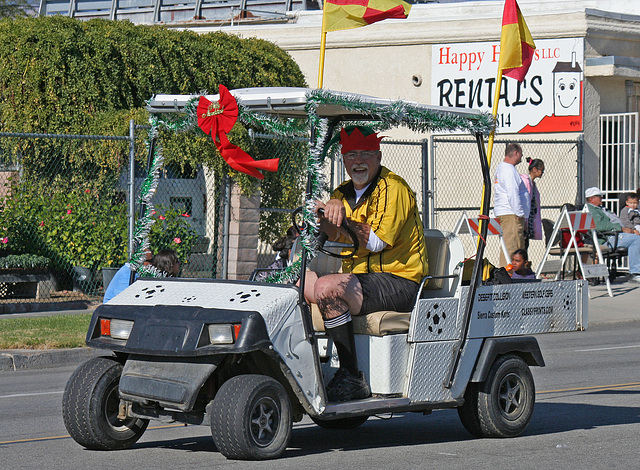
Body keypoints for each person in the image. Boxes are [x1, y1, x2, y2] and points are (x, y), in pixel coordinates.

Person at [302, 125, 428, 402]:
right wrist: (316, 220)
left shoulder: (394, 188)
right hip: (361, 279)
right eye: (351, 154)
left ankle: (351, 375)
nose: (358, 161)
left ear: (378, 156)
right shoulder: (343, 192)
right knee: (301, 281)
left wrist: (342, 218)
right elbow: (332, 234)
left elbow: (377, 242)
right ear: (343, 159)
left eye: (366, 154)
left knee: (327, 288)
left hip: (400, 281)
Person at [585, 187, 640, 283]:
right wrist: (622, 229)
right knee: (635, 239)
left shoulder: (601, 208)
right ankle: (635, 273)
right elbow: (600, 226)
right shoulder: (592, 210)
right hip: (608, 238)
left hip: (616, 234)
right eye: (599, 197)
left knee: (636, 237)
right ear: (591, 199)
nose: (601, 198)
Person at [494, 143, 531, 267]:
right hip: (511, 214)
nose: (522, 156)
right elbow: (512, 194)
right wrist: (519, 213)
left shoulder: (502, 168)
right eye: (521, 153)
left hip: (509, 213)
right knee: (512, 248)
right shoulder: (509, 170)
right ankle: (508, 275)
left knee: (515, 247)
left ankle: (517, 275)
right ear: (515, 153)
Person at [103, 249, 180, 303]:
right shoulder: (127, 274)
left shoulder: (139, 272)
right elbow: (126, 299)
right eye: (150, 261)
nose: (152, 264)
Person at [520, 158, 545, 249]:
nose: (542, 172)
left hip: (529, 220)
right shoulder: (526, 182)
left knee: (525, 245)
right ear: (534, 169)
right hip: (525, 219)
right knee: (522, 246)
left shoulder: (532, 184)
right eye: (541, 169)